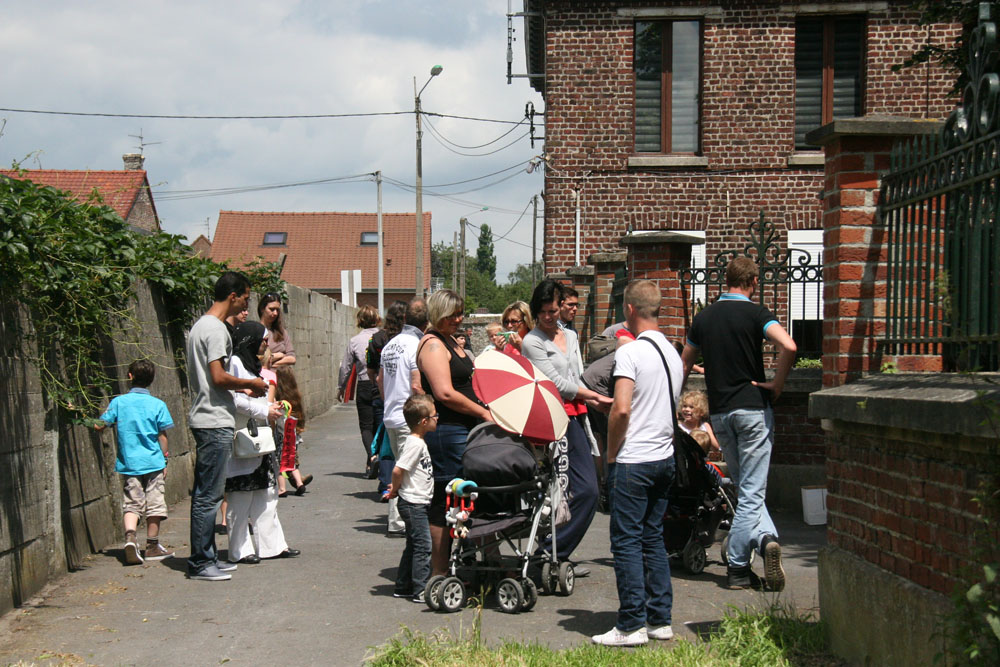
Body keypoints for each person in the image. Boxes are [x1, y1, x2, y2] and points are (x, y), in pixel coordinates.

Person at [681, 256, 797, 591]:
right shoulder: (757, 313)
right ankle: (736, 564)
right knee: (752, 492)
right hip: (752, 409)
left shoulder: (704, 318)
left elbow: (685, 363)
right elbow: (789, 344)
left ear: (725, 280)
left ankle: (765, 542)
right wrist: (777, 384)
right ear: (754, 282)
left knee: (745, 488)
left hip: (720, 412)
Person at [592, 279, 679, 647]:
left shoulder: (629, 353)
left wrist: (612, 454)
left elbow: (622, 409)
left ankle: (630, 624)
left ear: (628, 310)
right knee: (653, 538)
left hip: (634, 459)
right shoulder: (673, 352)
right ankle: (660, 619)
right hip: (664, 457)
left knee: (626, 542)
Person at [521, 279, 612, 573]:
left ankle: (554, 553)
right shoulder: (532, 341)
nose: (549, 316)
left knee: (584, 490)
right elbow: (556, 384)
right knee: (581, 490)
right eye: (543, 311)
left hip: (577, 415)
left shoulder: (570, 336)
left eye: (553, 309)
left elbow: (578, 374)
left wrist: (593, 401)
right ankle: (549, 553)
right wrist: (594, 396)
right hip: (553, 419)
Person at [186, 271, 268, 581]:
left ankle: (205, 557)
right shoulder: (217, 329)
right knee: (209, 495)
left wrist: (242, 387)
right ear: (232, 296)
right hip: (213, 418)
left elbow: (213, 378)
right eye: (246, 298)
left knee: (207, 493)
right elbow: (219, 377)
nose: (247, 304)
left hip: (206, 415)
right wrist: (249, 382)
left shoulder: (200, 326)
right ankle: (200, 562)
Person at [416, 290, 493, 575]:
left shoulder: (448, 340)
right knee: (445, 496)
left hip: (463, 427)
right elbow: (445, 393)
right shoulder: (434, 344)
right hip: (448, 430)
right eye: (452, 315)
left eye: (460, 313)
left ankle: (464, 563)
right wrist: (483, 412)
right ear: (438, 313)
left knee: (465, 495)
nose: (458, 320)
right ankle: (439, 571)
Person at [224, 321, 300, 564]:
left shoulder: (252, 364)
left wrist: (271, 407)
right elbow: (234, 400)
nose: (266, 343)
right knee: (240, 497)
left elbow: (255, 399)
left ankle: (272, 546)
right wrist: (264, 411)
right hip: (243, 439)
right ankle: (239, 549)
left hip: (259, 440)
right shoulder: (235, 363)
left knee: (267, 494)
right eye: (262, 339)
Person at [95, 359, 175, 565]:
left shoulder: (119, 403)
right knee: (155, 503)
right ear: (151, 380)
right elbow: (162, 436)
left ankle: (130, 538)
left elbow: (99, 425)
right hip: (154, 462)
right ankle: (152, 545)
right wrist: (165, 460)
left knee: (132, 501)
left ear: (129, 376)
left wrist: (78, 412)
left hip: (130, 464)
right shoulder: (158, 405)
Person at [378, 297, 428, 536]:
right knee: (408, 471)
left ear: (406, 318)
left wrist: (390, 401)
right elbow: (417, 385)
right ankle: (399, 522)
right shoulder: (416, 345)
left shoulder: (391, 344)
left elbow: (380, 381)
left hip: (391, 414)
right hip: (408, 416)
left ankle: (400, 520)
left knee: (401, 466)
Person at [387, 394, 437, 603]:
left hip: (418, 502)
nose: (437, 418)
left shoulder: (418, 442)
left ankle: (403, 585)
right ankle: (420, 589)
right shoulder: (414, 444)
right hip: (414, 503)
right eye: (435, 415)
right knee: (423, 546)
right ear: (424, 422)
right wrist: (394, 490)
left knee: (413, 544)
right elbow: (398, 470)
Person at [367, 301, 407, 485]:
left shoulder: (376, 339)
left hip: (380, 394)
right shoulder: (408, 340)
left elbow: (371, 370)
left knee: (383, 436)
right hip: (402, 393)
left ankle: (384, 478)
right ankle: (395, 480)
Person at [338, 304, 382, 474]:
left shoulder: (355, 341)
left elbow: (346, 367)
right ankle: (373, 461)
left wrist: (341, 387)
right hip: (380, 384)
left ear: (360, 321)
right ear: (377, 319)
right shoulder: (384, 337)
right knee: (378, 425)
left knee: (365, 426)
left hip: (363, 384)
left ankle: (372, 457)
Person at [274, 366, 312, 497]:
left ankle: (282, 489)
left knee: (278, 463)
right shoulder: (295, 396)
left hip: (281, 436)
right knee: (291, 462)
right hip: (293, 435)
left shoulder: (279, 401)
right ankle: (299, 482)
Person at [678, 390, 721, 459]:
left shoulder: (705, 426)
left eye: (691, 407)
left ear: (701, 411)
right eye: (684, 406)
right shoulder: (680, 428)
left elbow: (715, 447)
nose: (686, 409)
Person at [258, 292, 296, 367]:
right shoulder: (255, 330)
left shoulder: (281, 332)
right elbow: (257, 359)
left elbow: (292, 358)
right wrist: (279, 355)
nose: (275, 313)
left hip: (281, 376)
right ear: (262, 309)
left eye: (277, 310)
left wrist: (273, 363)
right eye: (271, 309)